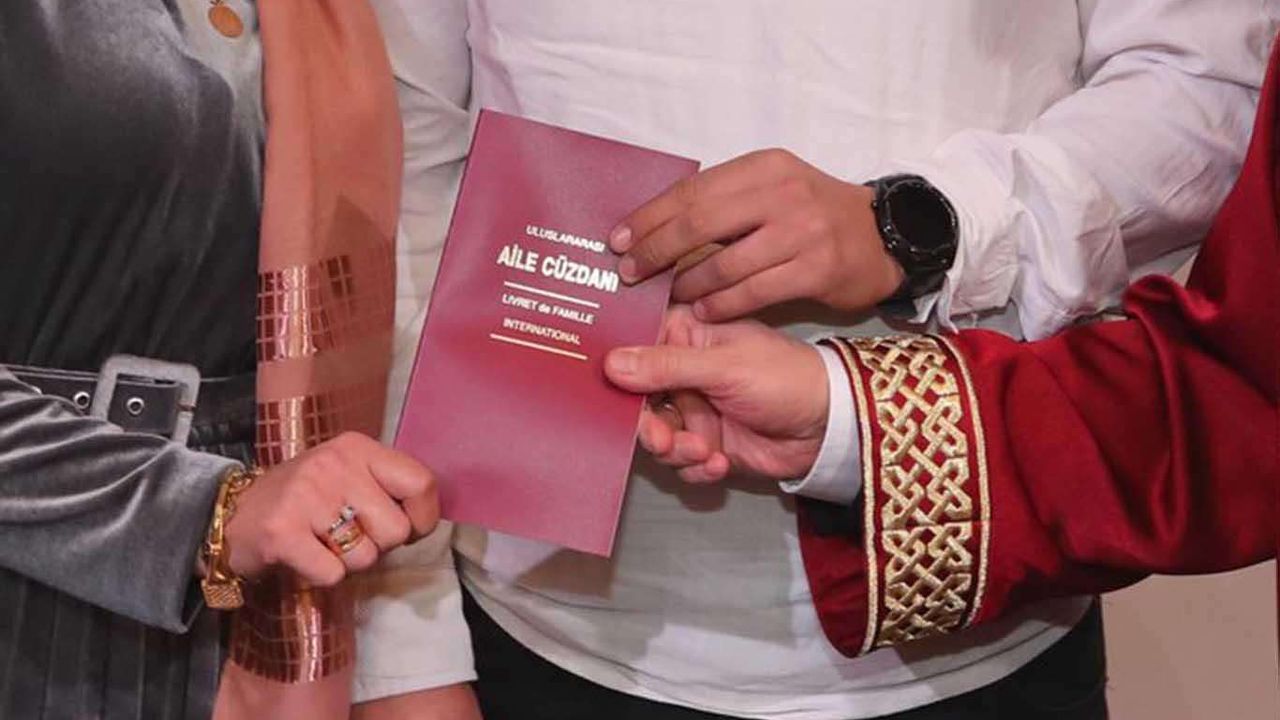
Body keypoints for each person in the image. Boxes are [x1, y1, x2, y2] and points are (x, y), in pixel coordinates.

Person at [356, 2, 1277, 719]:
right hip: (538, 615)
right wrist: (401, 647)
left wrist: (925, 223)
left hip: (978, 612)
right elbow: (398, 160)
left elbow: (1204, 82)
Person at [601, 21, 1280, 669]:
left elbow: (1202, 80)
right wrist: (853, 418)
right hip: (563, 592)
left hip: (965, 644)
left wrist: (919, 226)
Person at [0, 2, 446, 718]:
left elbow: (387, 301)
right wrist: (202, 511)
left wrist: (411, 656)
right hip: (36, 589)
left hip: (260, 608)